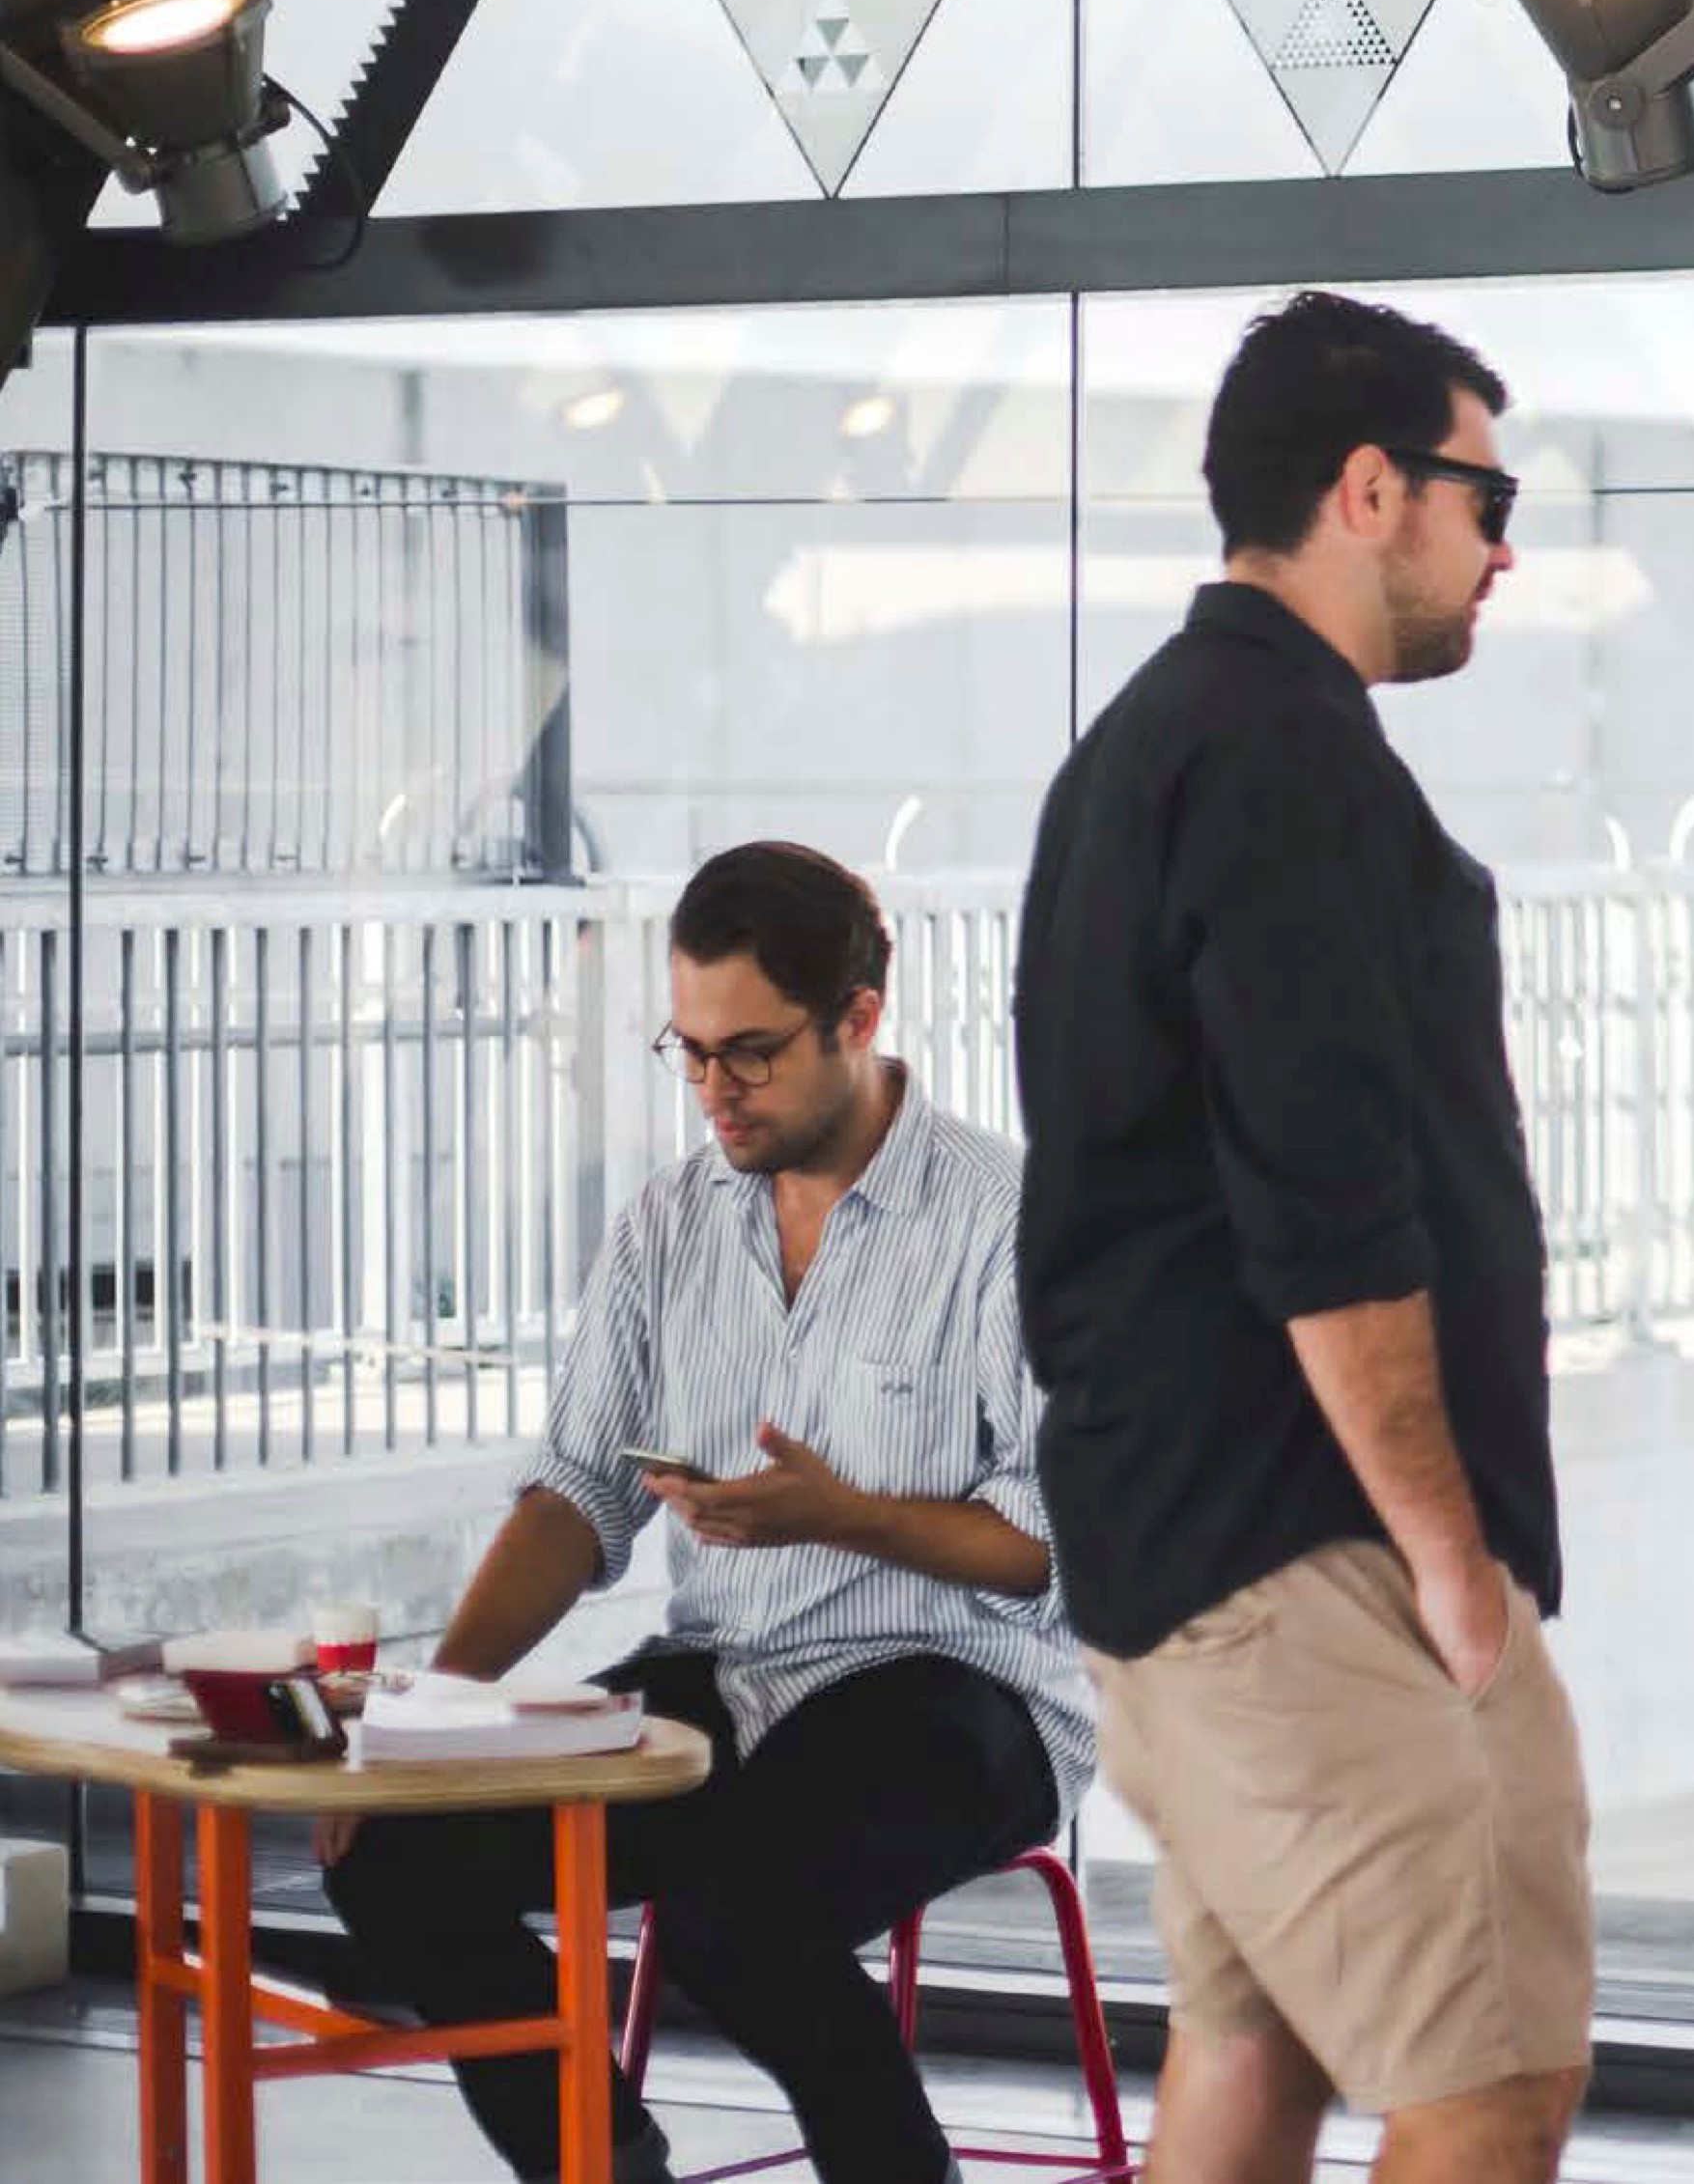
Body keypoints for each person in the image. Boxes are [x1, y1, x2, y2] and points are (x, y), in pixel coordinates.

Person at [1014, 290, 1583, 2184]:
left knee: (1253, 2053)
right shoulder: (1281, 759)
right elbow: (1323, 1198)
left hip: (1181, 1543)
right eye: (1486, 498)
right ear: (1369, 487)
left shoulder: (1147, 745)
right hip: (1303, 1539)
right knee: (1488, 2079)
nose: (1504, 547)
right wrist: (1447, 1553)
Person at [323, 843, 1084, 2184]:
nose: (713, 1092)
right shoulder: (670, 1221)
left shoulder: (1002, 1217)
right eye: (688, 1050)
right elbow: (577, 1491)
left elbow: (1047, 1553)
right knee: (394, 1853)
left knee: (741, 1915)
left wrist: (845, 1515)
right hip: (730, 1679)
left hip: (965, 1684)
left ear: (859, 1016)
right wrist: (428, 1717)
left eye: (751, 1053)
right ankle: (603, 2161)